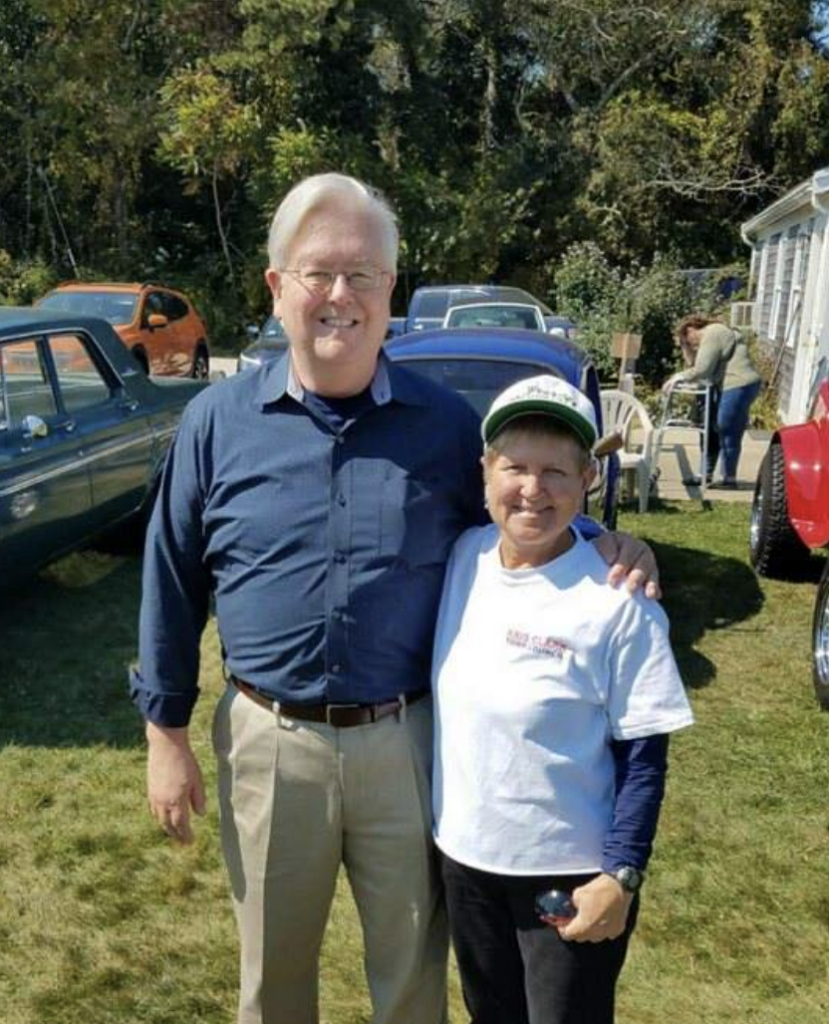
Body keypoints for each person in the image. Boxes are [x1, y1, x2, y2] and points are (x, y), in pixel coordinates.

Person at [130, 172, 660, 1024]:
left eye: (364, 274)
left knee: (413, 981)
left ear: (390, 290)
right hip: (268, 745)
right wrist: (165, 734)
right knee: (272, 984)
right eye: (317, 273)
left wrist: (608, 544)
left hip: (410, 743)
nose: (340, 296)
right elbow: (170, 577)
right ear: (276, 287)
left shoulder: (445, 425)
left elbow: (519, 518)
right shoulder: (215, 423)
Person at [432, 375, 694, 1024]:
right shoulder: (462, 556)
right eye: (514, 467)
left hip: (564, 876)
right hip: (465, 861)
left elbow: (644, 758)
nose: (531, 488)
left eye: (555, 472)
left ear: (587, 482)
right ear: (485, 473)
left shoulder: (617, 598)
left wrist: (621, 875)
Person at [664, 314, 762, 489]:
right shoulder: (710, 337)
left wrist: (679, 376)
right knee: (711, 428)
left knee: (727, 428)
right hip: (730, 385)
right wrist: (686, 348)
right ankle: (705, 474)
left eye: (686, 339)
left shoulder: (713, 333)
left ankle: (729, 479)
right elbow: (694, 363)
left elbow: (702, 369)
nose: (690, 343)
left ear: (691, 329)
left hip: (739, 383)